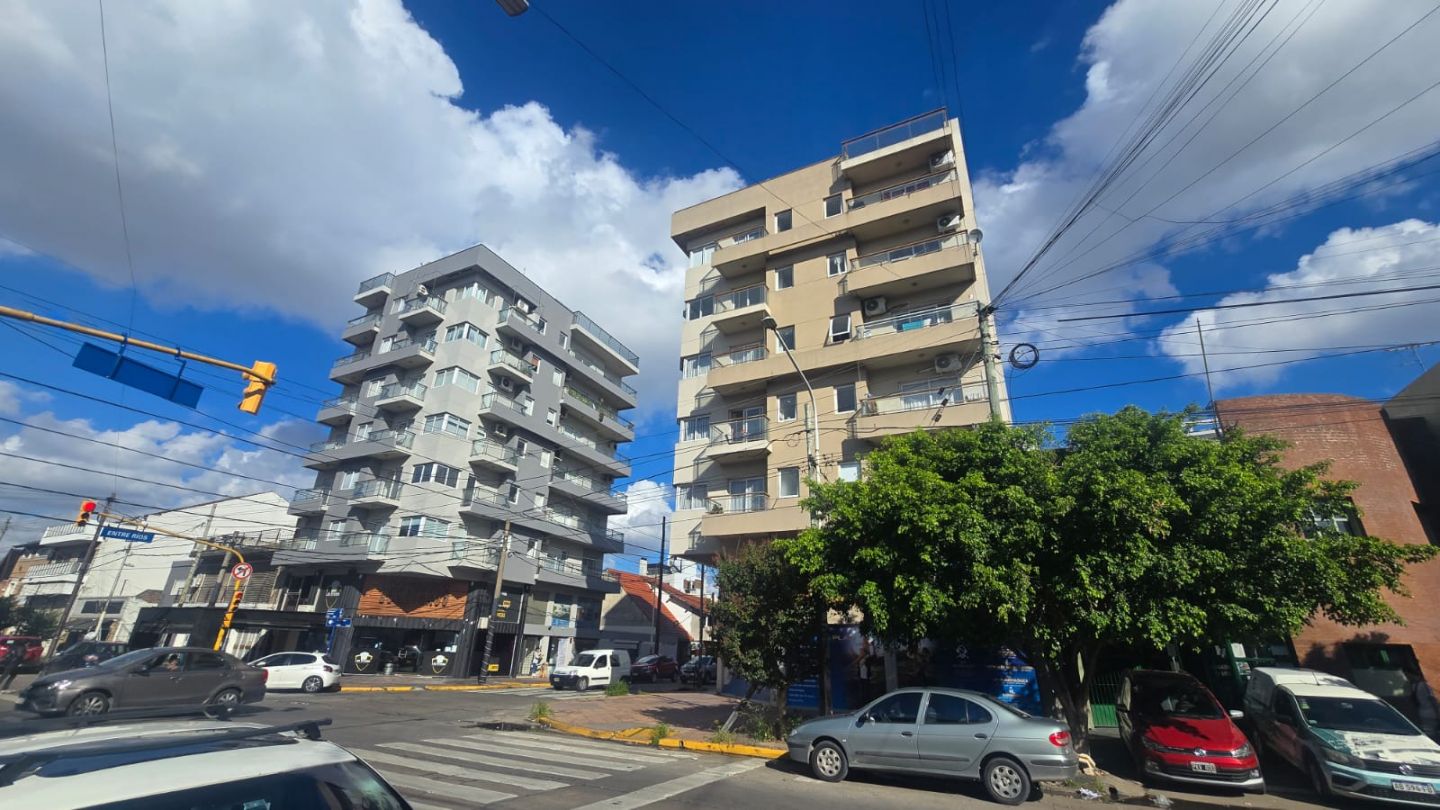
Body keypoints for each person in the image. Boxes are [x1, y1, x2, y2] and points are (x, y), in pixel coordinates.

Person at [1408, 664, 1439, 739]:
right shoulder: (1424, 685)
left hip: (1426, 715)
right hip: (1430, 713)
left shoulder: (1418, 685)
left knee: (1429, 734)